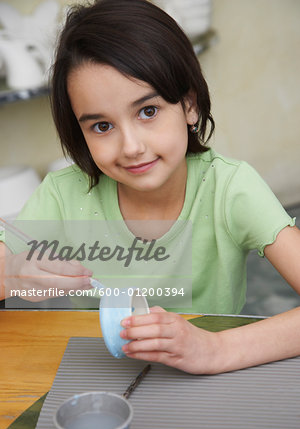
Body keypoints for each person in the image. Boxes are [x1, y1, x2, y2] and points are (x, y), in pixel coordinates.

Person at [0, 0, 300, 374]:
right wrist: (9, 275)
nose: (131, 147)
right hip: (99, 380)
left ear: (189, 105)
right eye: (102, 126)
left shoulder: (229, 189)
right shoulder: (65, 195)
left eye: (148, 111)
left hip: (210, 387)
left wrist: (216, 349)